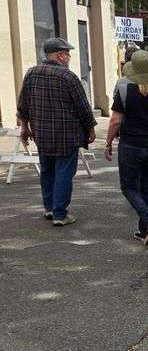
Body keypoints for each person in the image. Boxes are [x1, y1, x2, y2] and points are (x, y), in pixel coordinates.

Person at [16, 36, 96, 226]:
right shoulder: (69, 77)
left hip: (42, 133)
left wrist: (24, 127)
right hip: (67, 135)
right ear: (60, 56)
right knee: (63, 173)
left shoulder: (31, 74)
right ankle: (60, 214)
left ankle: (49, 208)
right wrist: (90, 128)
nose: (69, 57)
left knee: (47, 171)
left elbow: (23, 105)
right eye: (67, 53)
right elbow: (83, 107)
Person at [104, 49, 148, 245]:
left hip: (131, 146)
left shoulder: (125, 92)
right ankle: (145, 231)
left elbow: (115, 121)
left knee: (128, 187)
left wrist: (108, 143)